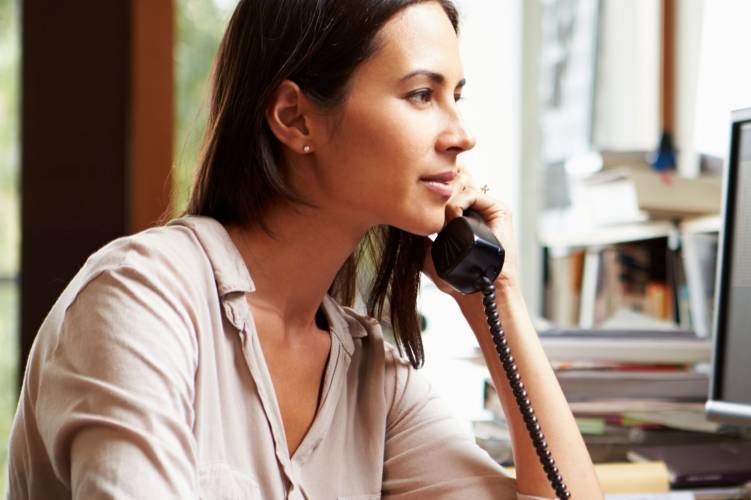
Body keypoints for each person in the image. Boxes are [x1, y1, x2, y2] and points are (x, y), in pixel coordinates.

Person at [7, 0, 602, 498]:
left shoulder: (374, 379)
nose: (461, 133)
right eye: (422, 94)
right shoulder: (141, 299)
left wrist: (499, 299)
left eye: (457, 95)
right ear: (296, 118)